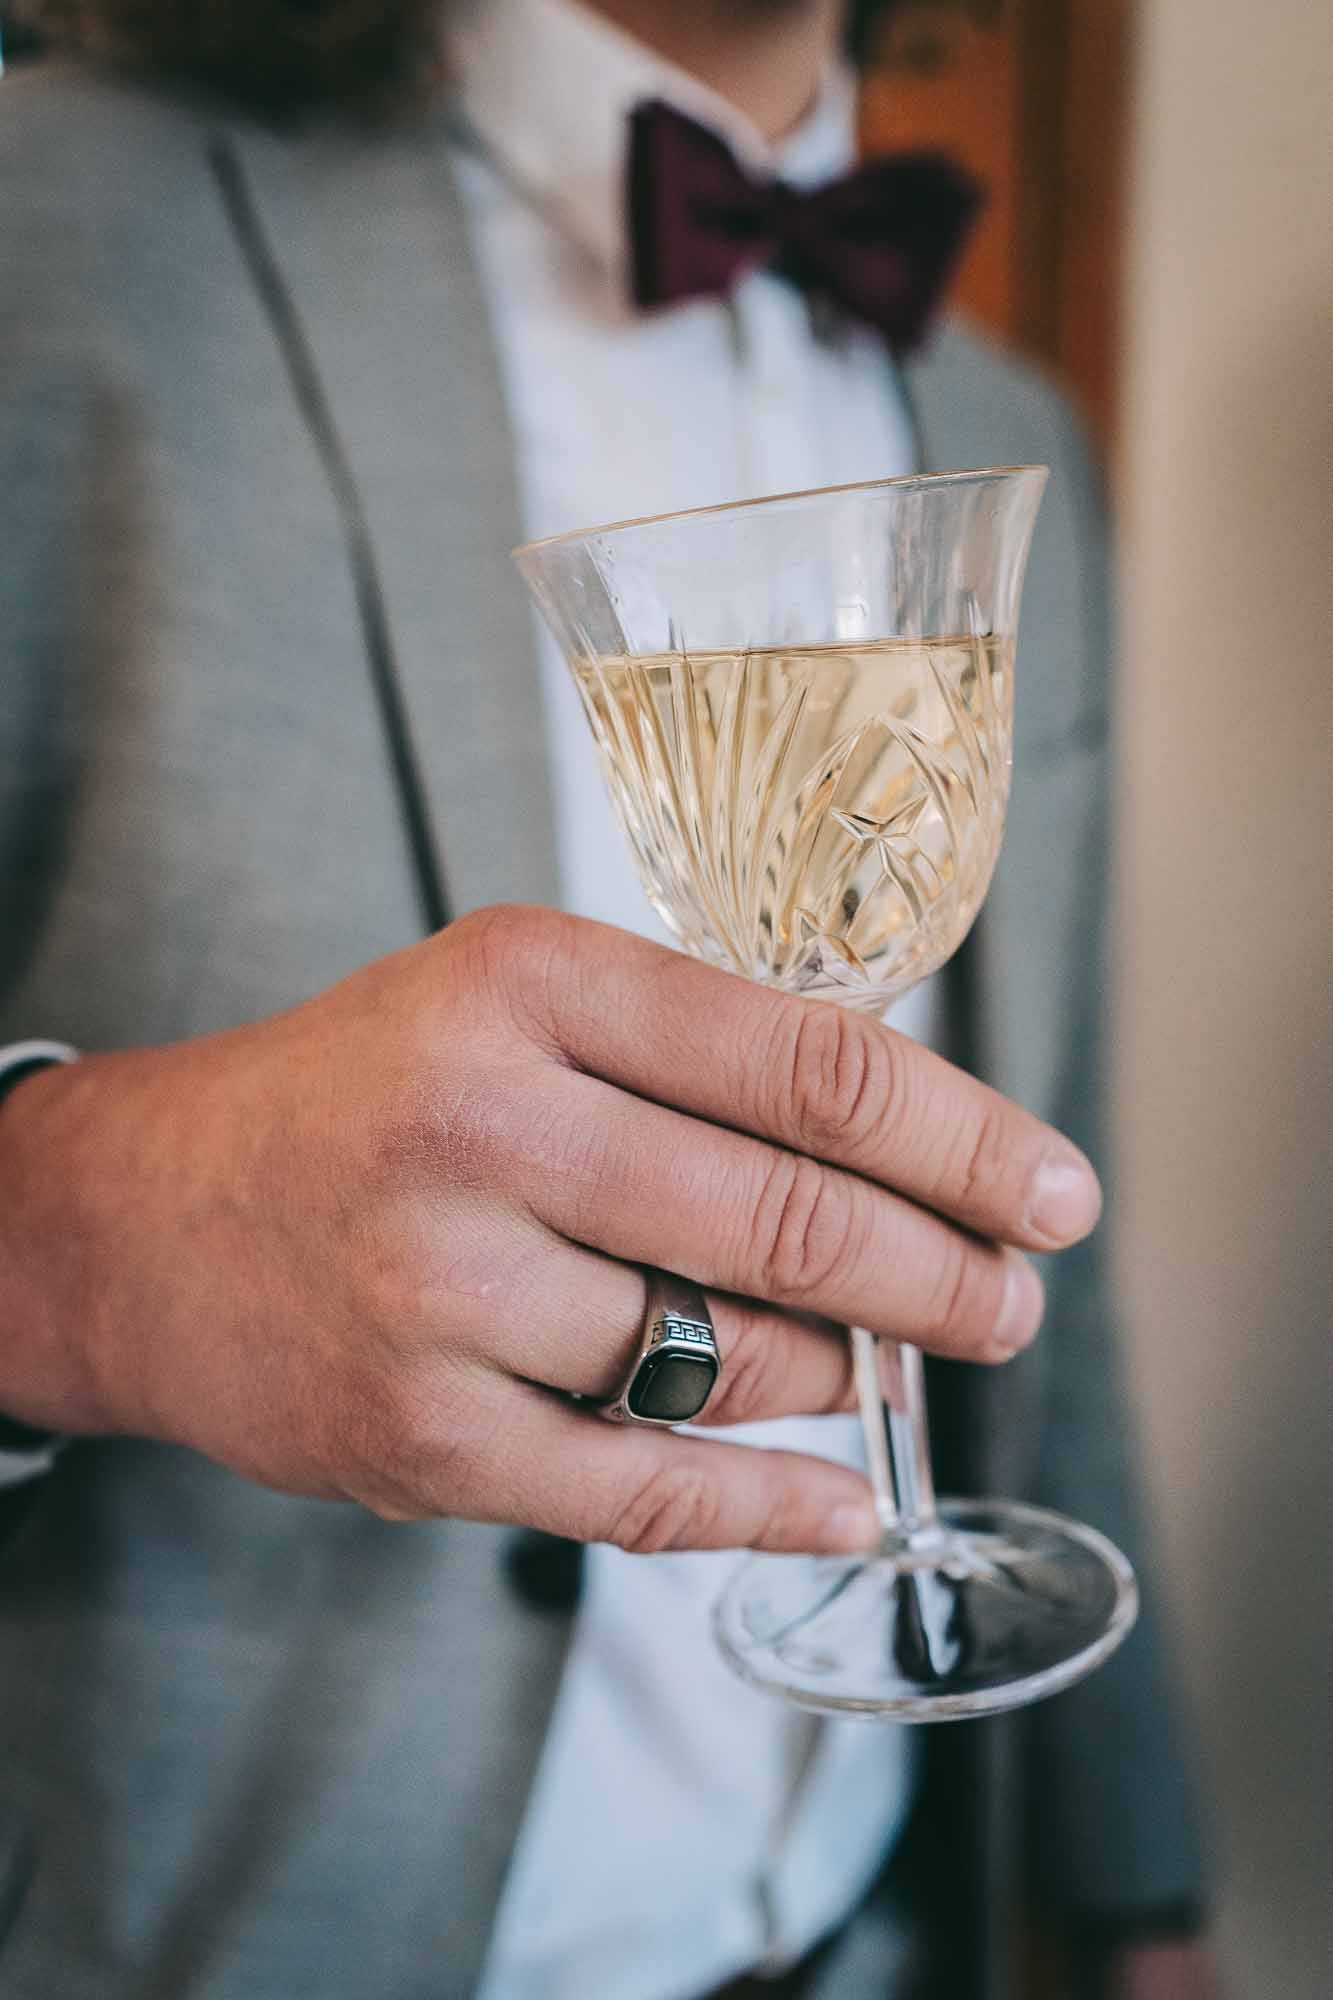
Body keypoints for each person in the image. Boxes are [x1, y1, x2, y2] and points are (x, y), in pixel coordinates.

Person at [0, 1, 1212, 1995]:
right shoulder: (53, 218)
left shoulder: (1020, 433)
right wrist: (71, 1241)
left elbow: (1056, 1278)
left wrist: (1135, 1896)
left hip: (875, 1942)